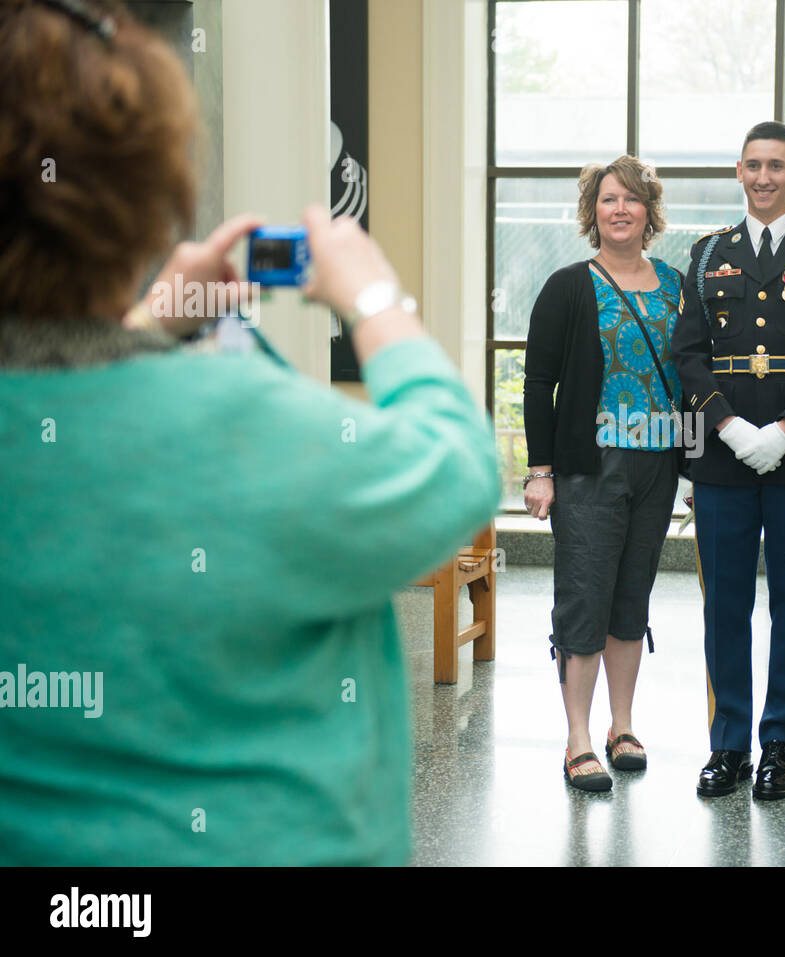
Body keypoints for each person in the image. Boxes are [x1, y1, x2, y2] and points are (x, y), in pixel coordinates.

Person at [0, 0, 499, 865]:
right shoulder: (243, 424)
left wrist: (143, 325)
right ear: (151, 200)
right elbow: (457, 468)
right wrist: (373, 297)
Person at [671, 121, 785, 801]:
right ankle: (728, 743)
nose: (764, 177)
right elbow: (688, 354)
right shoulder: (706, 254)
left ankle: (779, 742)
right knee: (725, 602)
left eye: (777, 165)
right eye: (753, 165)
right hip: (722, 463)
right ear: (739, 172)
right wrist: (726, 425)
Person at [523, 156, 682, 792]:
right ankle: (578, 739)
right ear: (593, 211)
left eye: (632, 199)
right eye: (609, 199)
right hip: (590, 467)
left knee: (631, 598)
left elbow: (692, 375)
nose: (620, 209)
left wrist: (696, 463)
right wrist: (540, 471)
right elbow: (539, 382)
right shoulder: (568, 286)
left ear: (649, 211)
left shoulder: (675, 286)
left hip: (658, 465)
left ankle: (623, 726)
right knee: (584, 597)